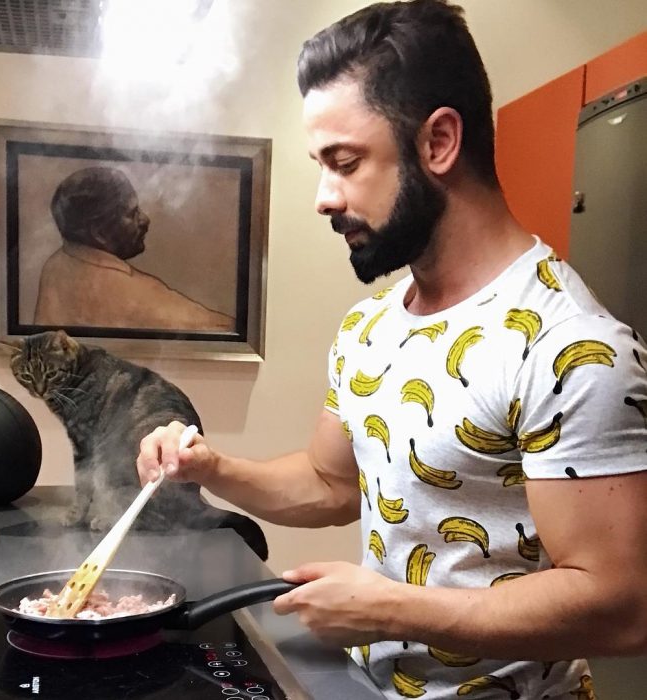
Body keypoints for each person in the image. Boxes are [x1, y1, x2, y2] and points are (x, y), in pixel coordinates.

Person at [137, 2, 647, 698]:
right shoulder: (371, 325)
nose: (323, 197)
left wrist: (390, 609)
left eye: (344, 162)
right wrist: (211, 468)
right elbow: (331, 483)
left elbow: (622, 609)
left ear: (438, 141)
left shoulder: (570, 347)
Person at [33, 166, 234, 332]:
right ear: (99, 232)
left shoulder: (57, 263)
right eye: (132, 213)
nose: (145, 220)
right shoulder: (129, 292)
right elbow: (225, 329)